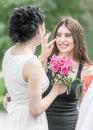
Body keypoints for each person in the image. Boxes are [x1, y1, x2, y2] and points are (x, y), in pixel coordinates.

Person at [2, 5, 67, 130]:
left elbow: (22, 81)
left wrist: (42, 57)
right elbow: (35, 110)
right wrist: (56, 91)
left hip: (14, 119)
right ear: (38, 29)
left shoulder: (9, 53)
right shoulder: (32, 63)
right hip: (29, 123)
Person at [42, 16, 93, 130]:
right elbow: (29, 87)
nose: (62, 40)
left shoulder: (86, 69)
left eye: (68, 35)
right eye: (58, 35)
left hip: (71, 126)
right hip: (43, 124)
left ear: (77, 38)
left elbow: (86, 105)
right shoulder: (45, 61)